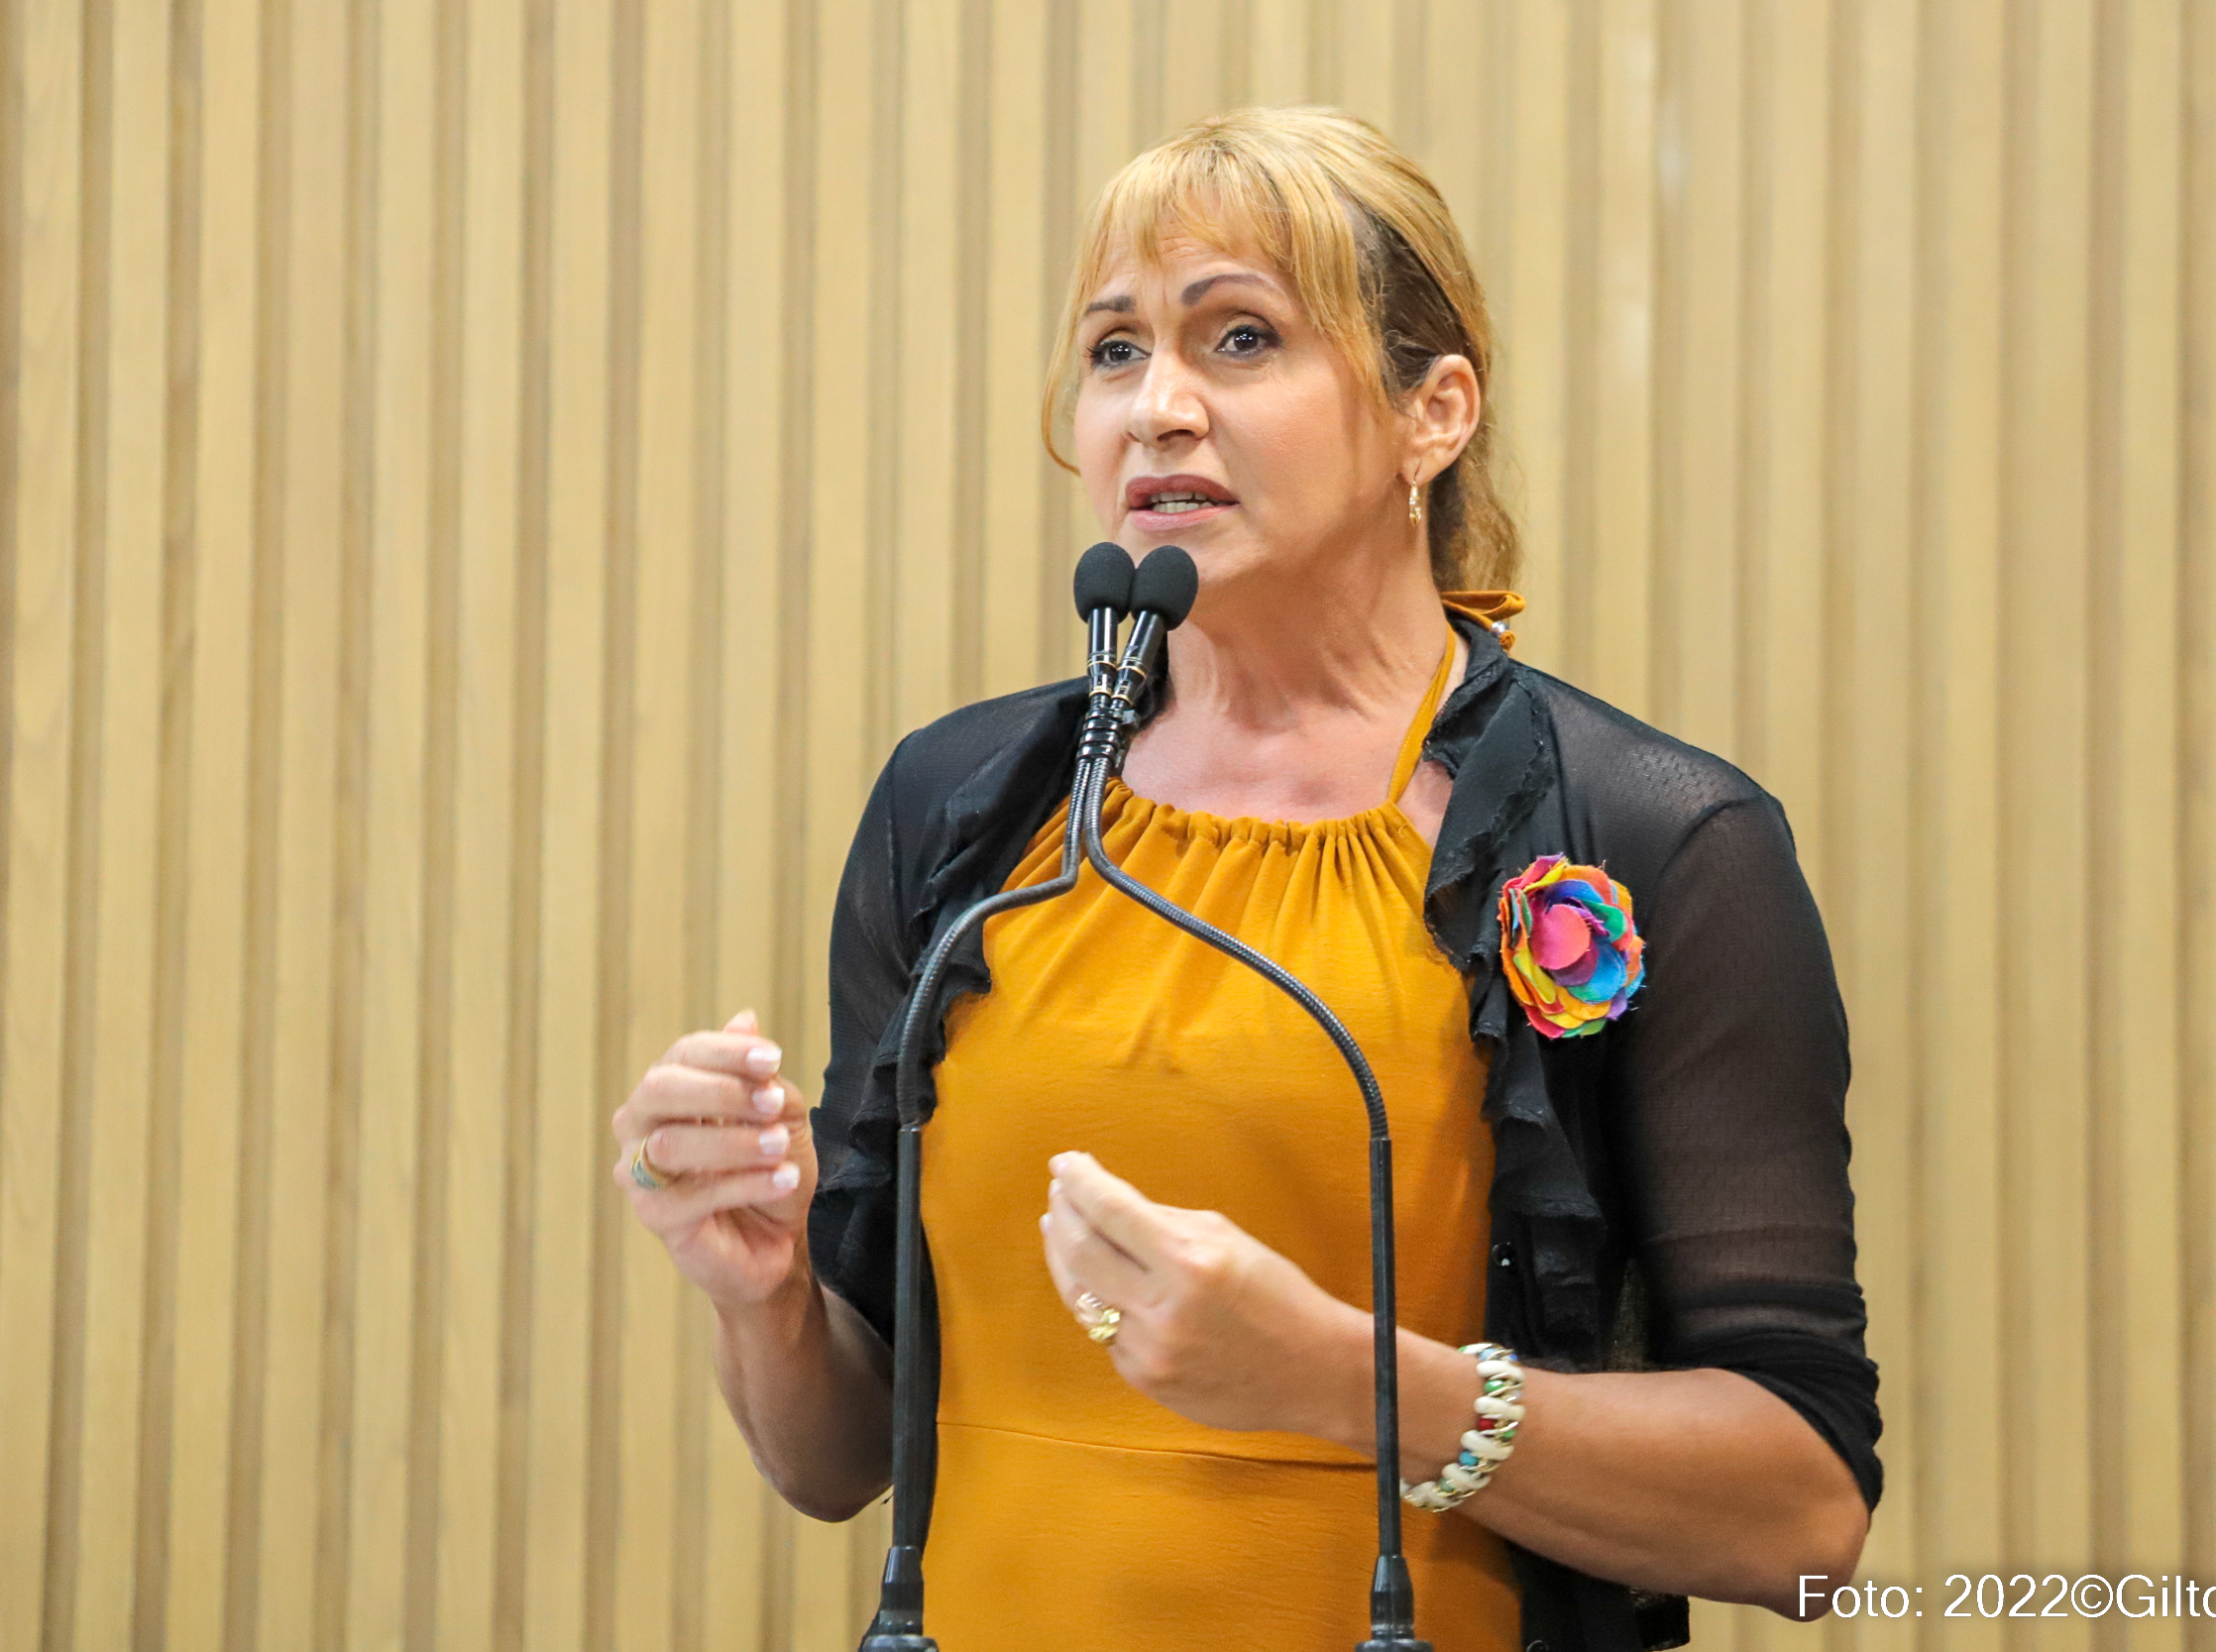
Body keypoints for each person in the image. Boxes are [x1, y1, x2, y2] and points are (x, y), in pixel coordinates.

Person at [610, 106, 1879, 1652]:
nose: (1157, 409)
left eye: (1241, 339)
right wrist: (760, 1289)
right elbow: (837, 1461)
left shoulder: (1657, 838)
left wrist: (1352, 1387)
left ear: (1434, 414)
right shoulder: (961, 813)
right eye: (1115, 350)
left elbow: (1803, 1524)